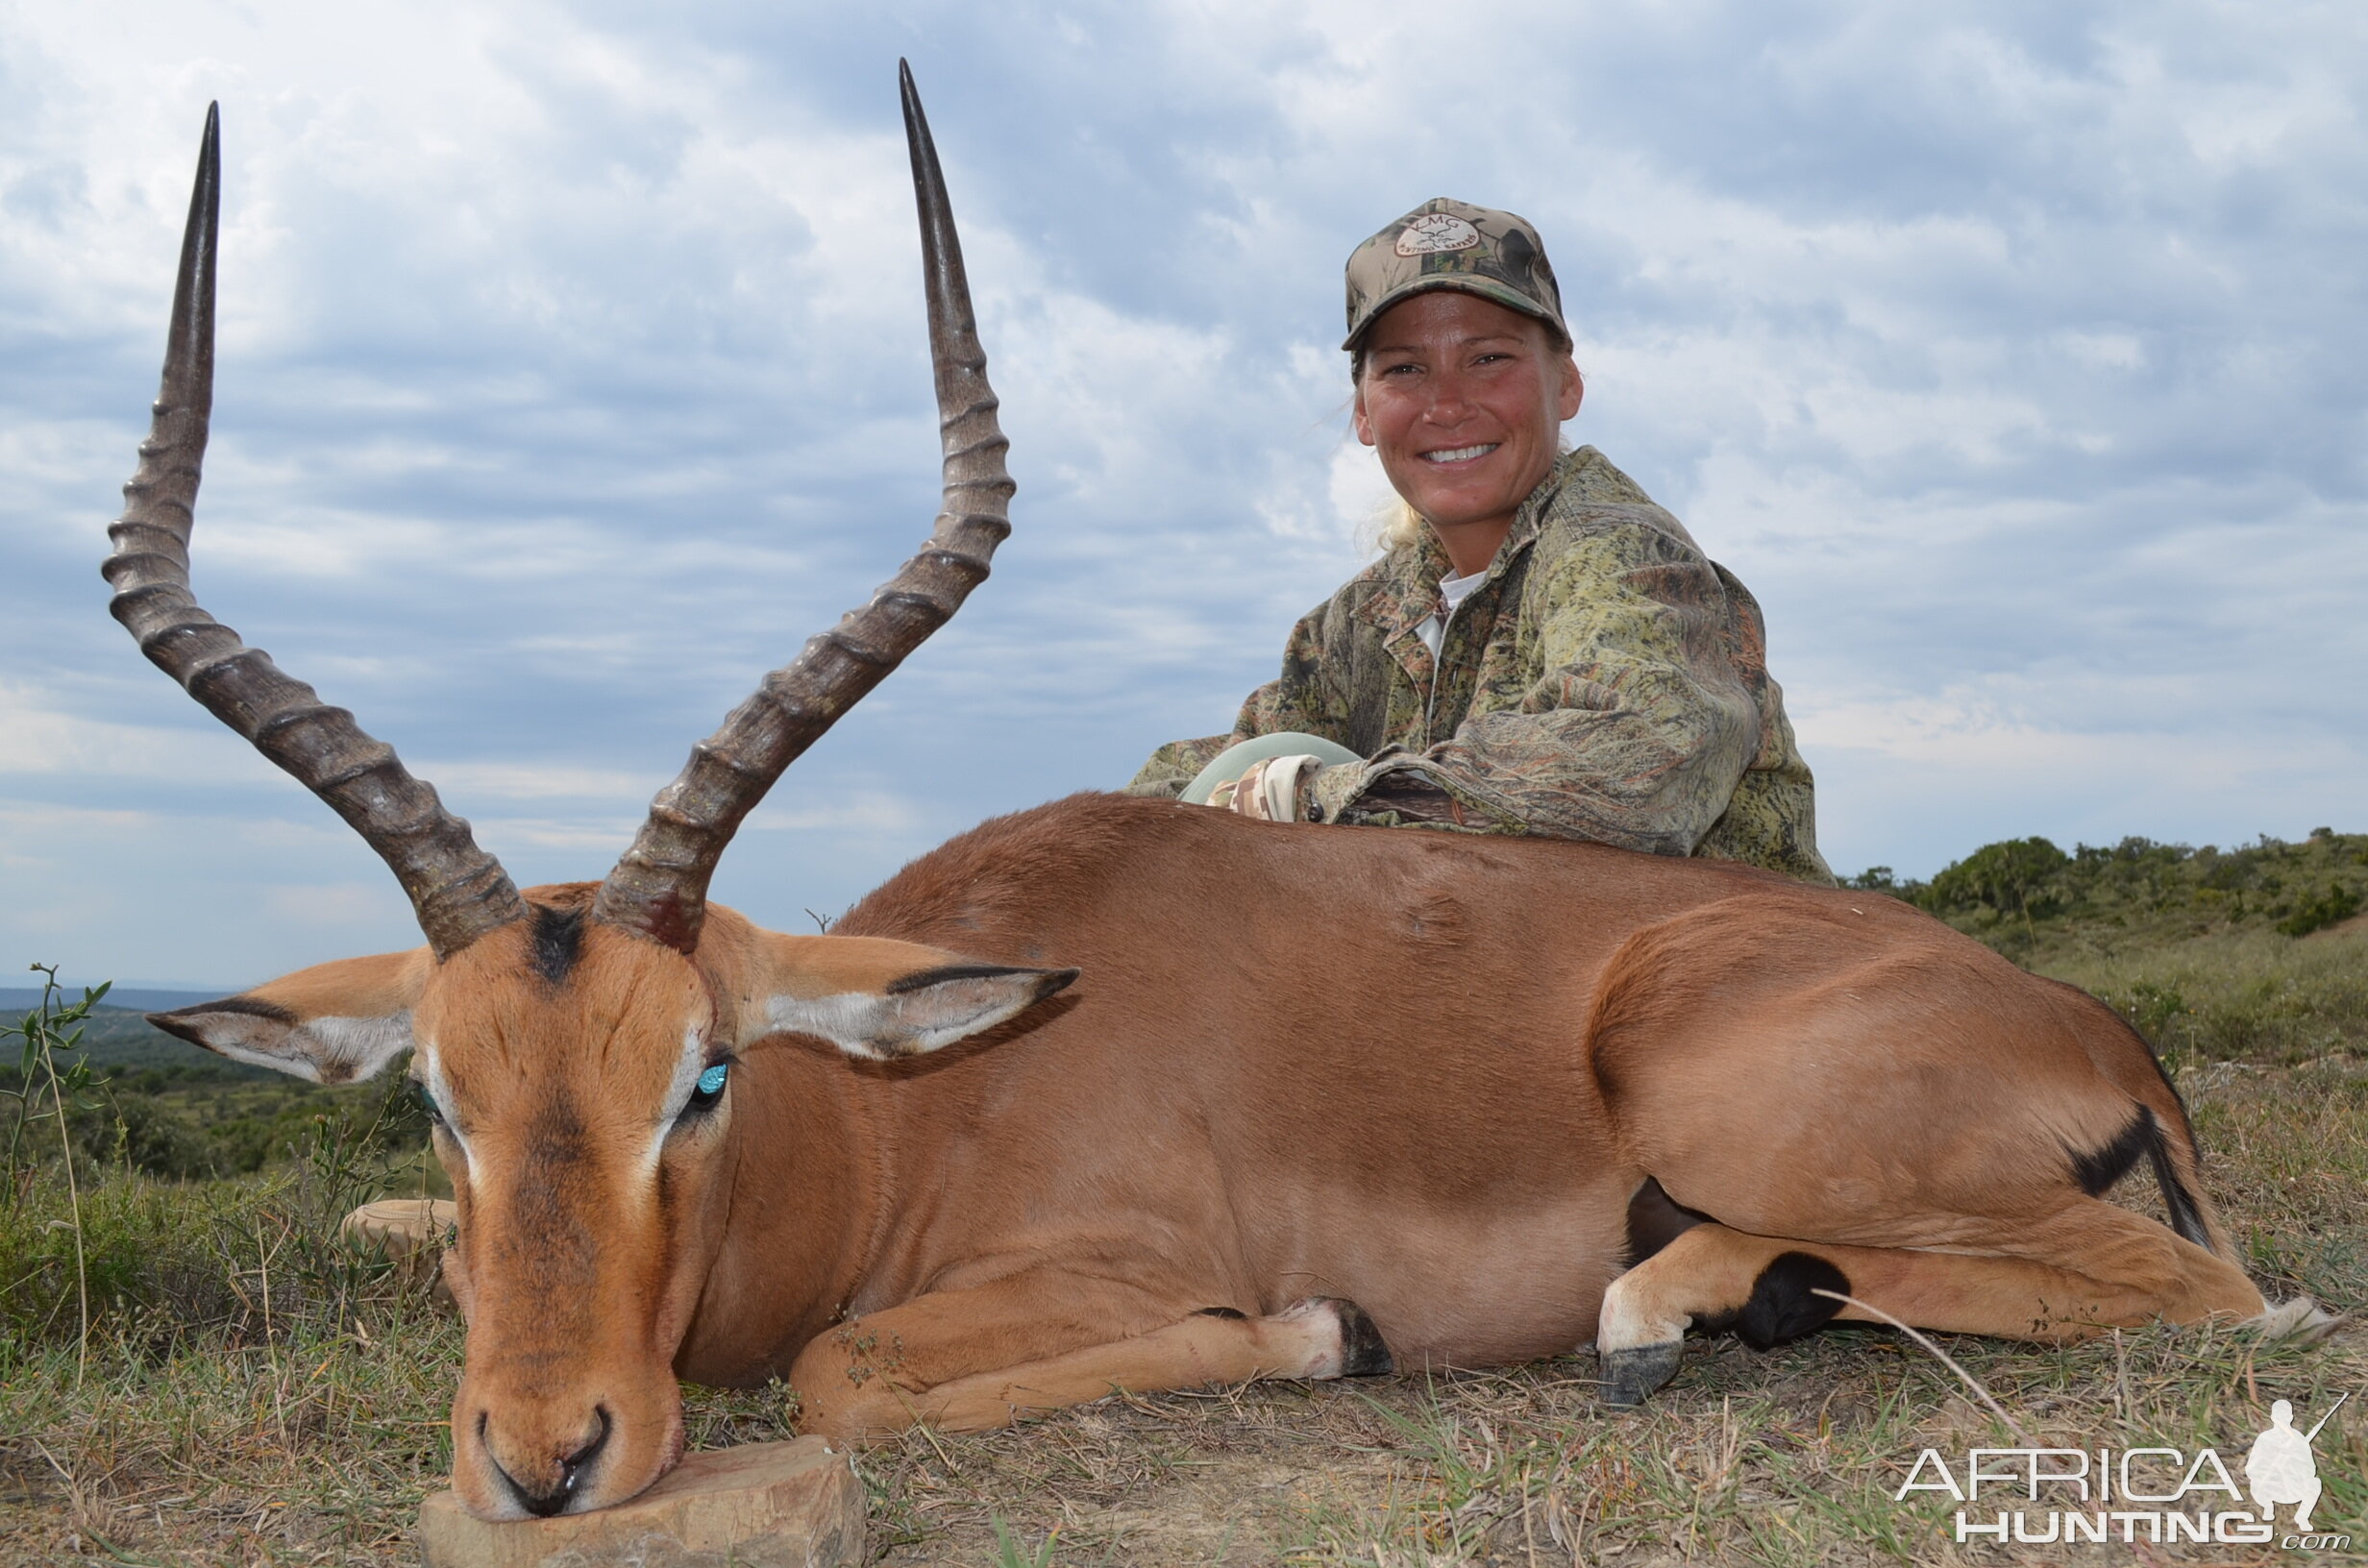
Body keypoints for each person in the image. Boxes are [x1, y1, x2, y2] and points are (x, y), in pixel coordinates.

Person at [1124, 198, 1831, 882]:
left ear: (1568, 385)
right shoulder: (1355, 623)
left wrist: (1317, 798)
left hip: (1719, 981)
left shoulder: (1624, 556)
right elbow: (1235, 760)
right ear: (1365, 415)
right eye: (1405, 369)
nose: (1448, 405)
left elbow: (1641, 757)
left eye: (1488, 358)